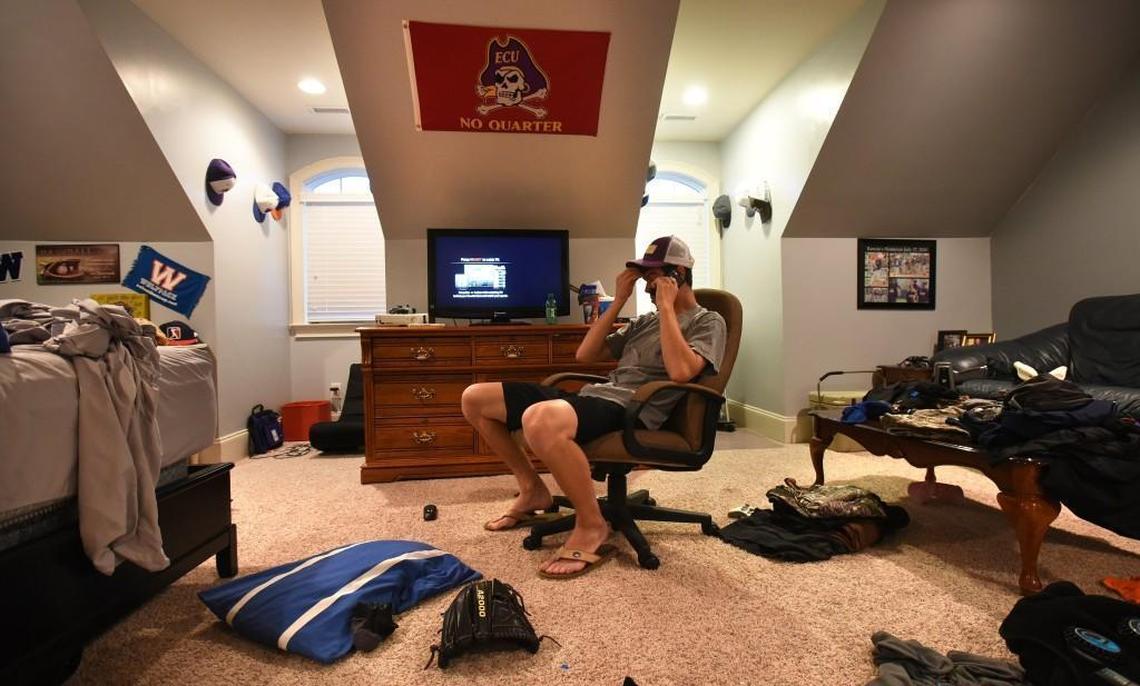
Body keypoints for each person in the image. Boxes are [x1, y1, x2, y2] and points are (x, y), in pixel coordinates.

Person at [460, 235, 727, 578]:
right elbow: (586, 354)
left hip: (633, 409)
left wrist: (666, 310)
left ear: (678, 274)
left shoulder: (708, 321)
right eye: (645, 277)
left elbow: (680, 372)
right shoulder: (644, 322)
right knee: (475, 399)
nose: (648, 284)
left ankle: (591, 524)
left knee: (539, 419)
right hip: (598, 396)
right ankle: (532, 490)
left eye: (653, 275)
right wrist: (618, 301)